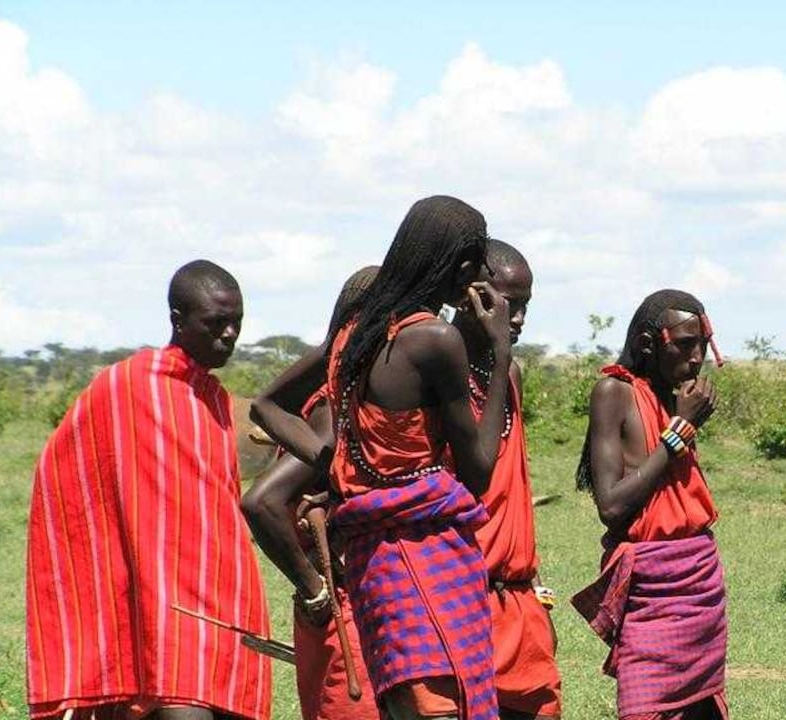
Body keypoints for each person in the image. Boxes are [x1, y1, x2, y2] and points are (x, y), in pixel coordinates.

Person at [252, 195, 510, 720]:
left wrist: (339, 463)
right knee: (441, 703)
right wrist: (499, 354)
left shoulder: (354, 336)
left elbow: (267, 405)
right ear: (461, 268)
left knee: (401, 702)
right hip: (428, 553)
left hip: (375, 564)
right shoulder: (434, 340)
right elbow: (479, 473)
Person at [26, 260, 271, 720]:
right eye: (216, 323)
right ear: (178, 321)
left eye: (237, 321)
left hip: (224, 592)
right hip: (159, 597)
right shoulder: (128, 385)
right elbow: (65, 471)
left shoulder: (215, 400)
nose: (230, 335)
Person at [571, 289, 727, 720]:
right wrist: (681, 430)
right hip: (651, 593)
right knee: (642, 708)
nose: (697, 358)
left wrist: (682, 420)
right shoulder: (613, 392)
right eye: (684, 345)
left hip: (699, 585)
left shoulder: (674, 397)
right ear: (647, 343)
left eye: (702, 345)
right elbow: (612, 505)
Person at [241, 266, 381, 720]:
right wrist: (316, 588)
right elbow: (262, 502)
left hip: (338, 614)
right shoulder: (330, 408)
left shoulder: (349, 400)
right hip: (346, 615)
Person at [450, 240, 562, 719]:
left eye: (524, 307)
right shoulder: (434, 369)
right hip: (463, 598)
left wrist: (533, 585)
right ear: (467, 295)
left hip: (519, 601)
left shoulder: (509, 372)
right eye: (506, 305)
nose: (515, 319)